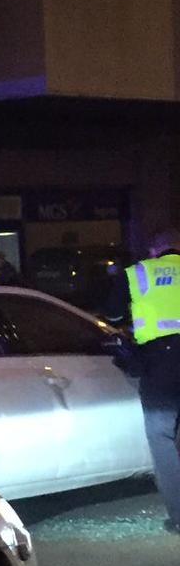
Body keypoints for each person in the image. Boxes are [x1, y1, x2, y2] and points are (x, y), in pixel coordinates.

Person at [125, 228, 180, 536]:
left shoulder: (140, 273)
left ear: (155, 250)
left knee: (162, 439)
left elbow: (112, 313)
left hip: (160, 364)